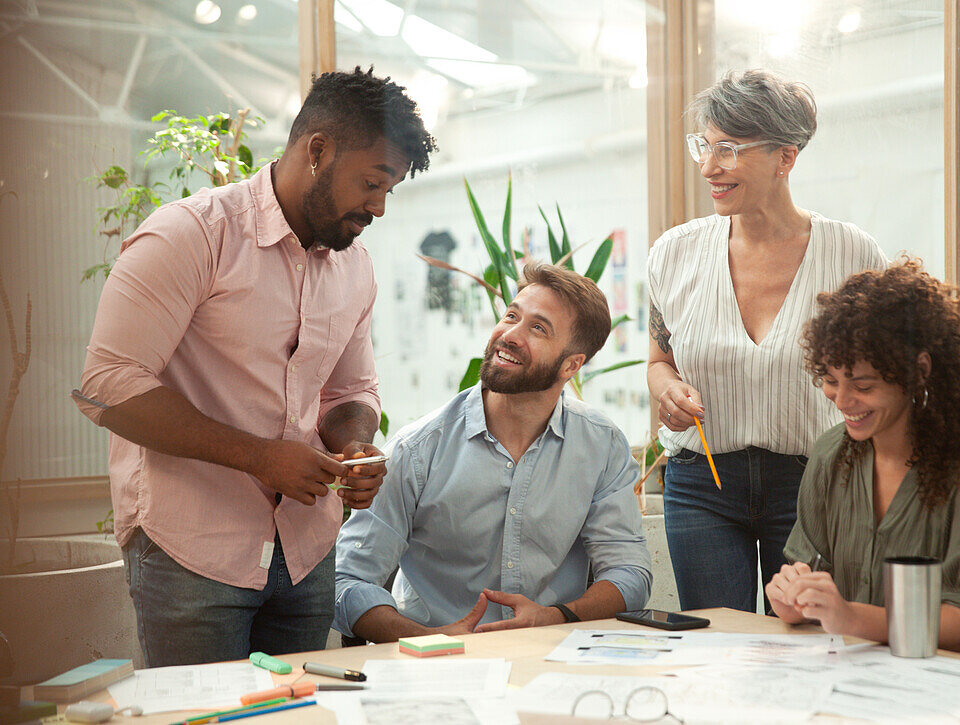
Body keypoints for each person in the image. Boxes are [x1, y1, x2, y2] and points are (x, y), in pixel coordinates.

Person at [72, 66, 436, 666]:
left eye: (388, 190)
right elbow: (108, 387)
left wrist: (356, 446)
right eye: (372, 183)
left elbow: (352, 389)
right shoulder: (191, 236)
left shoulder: (354, 267)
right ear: (317, 150)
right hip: (192, 553)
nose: (378, 206)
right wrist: (261, 457)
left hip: (307, 554)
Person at [647, 69, 887, 612]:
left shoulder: (853, 255)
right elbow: (660, 359)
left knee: (806, 642)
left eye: (729, 150)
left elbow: (894, 379)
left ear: (785, 158)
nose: (709, 167)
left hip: (815, 484)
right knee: (715, 650)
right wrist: (666, 391)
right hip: (700, 485)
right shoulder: (673, 253)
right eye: (704, 147)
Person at [333, 264, 652, 643]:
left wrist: (555, 617)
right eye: (511, 316)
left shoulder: (602, 447)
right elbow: (347, 580)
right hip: (432, 667)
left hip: (549, 658)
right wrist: (429, 640)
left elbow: (629, 574)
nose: (509, 335)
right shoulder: (418, 448)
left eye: (538, 328)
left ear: (572, 364)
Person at [766, 260, 960, 660]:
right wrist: (792, 599)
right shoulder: (831, 455)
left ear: (918, 371)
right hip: (854, 673)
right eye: (832, 382)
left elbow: (957, 625)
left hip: (952, 683)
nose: (843, 401)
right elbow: (809, 573)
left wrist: (849, 617)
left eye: (863, 386)